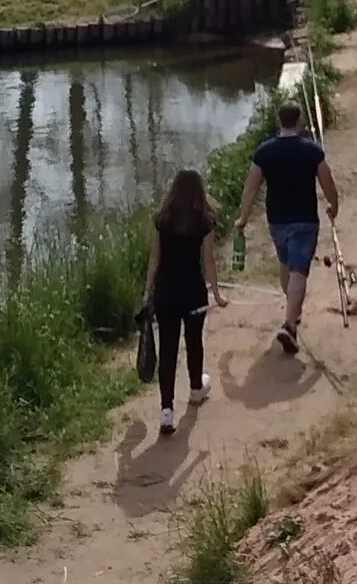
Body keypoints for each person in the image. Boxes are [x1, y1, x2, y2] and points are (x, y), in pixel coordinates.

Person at [237, 98, 339, 355]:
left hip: (277, 221)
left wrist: (243, 218)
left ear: (277, 121)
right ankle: (290, 325)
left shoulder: (265, 151)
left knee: (288, 266)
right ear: (301, 121)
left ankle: (292, 312)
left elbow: (251, 187)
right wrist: (333, 205)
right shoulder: (311, 151)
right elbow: (327, 182)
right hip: (305, 220)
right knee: (298, 271)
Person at [143, 167, 226, 435]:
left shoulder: (162, 220)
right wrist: (217, 293)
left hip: (166, 292)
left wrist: (148, 291)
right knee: (193, 341)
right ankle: (195, 388)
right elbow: (209, 261)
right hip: (192, 292)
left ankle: (166, 411)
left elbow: (154, 258)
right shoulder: (205, 221)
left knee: (168, 349)